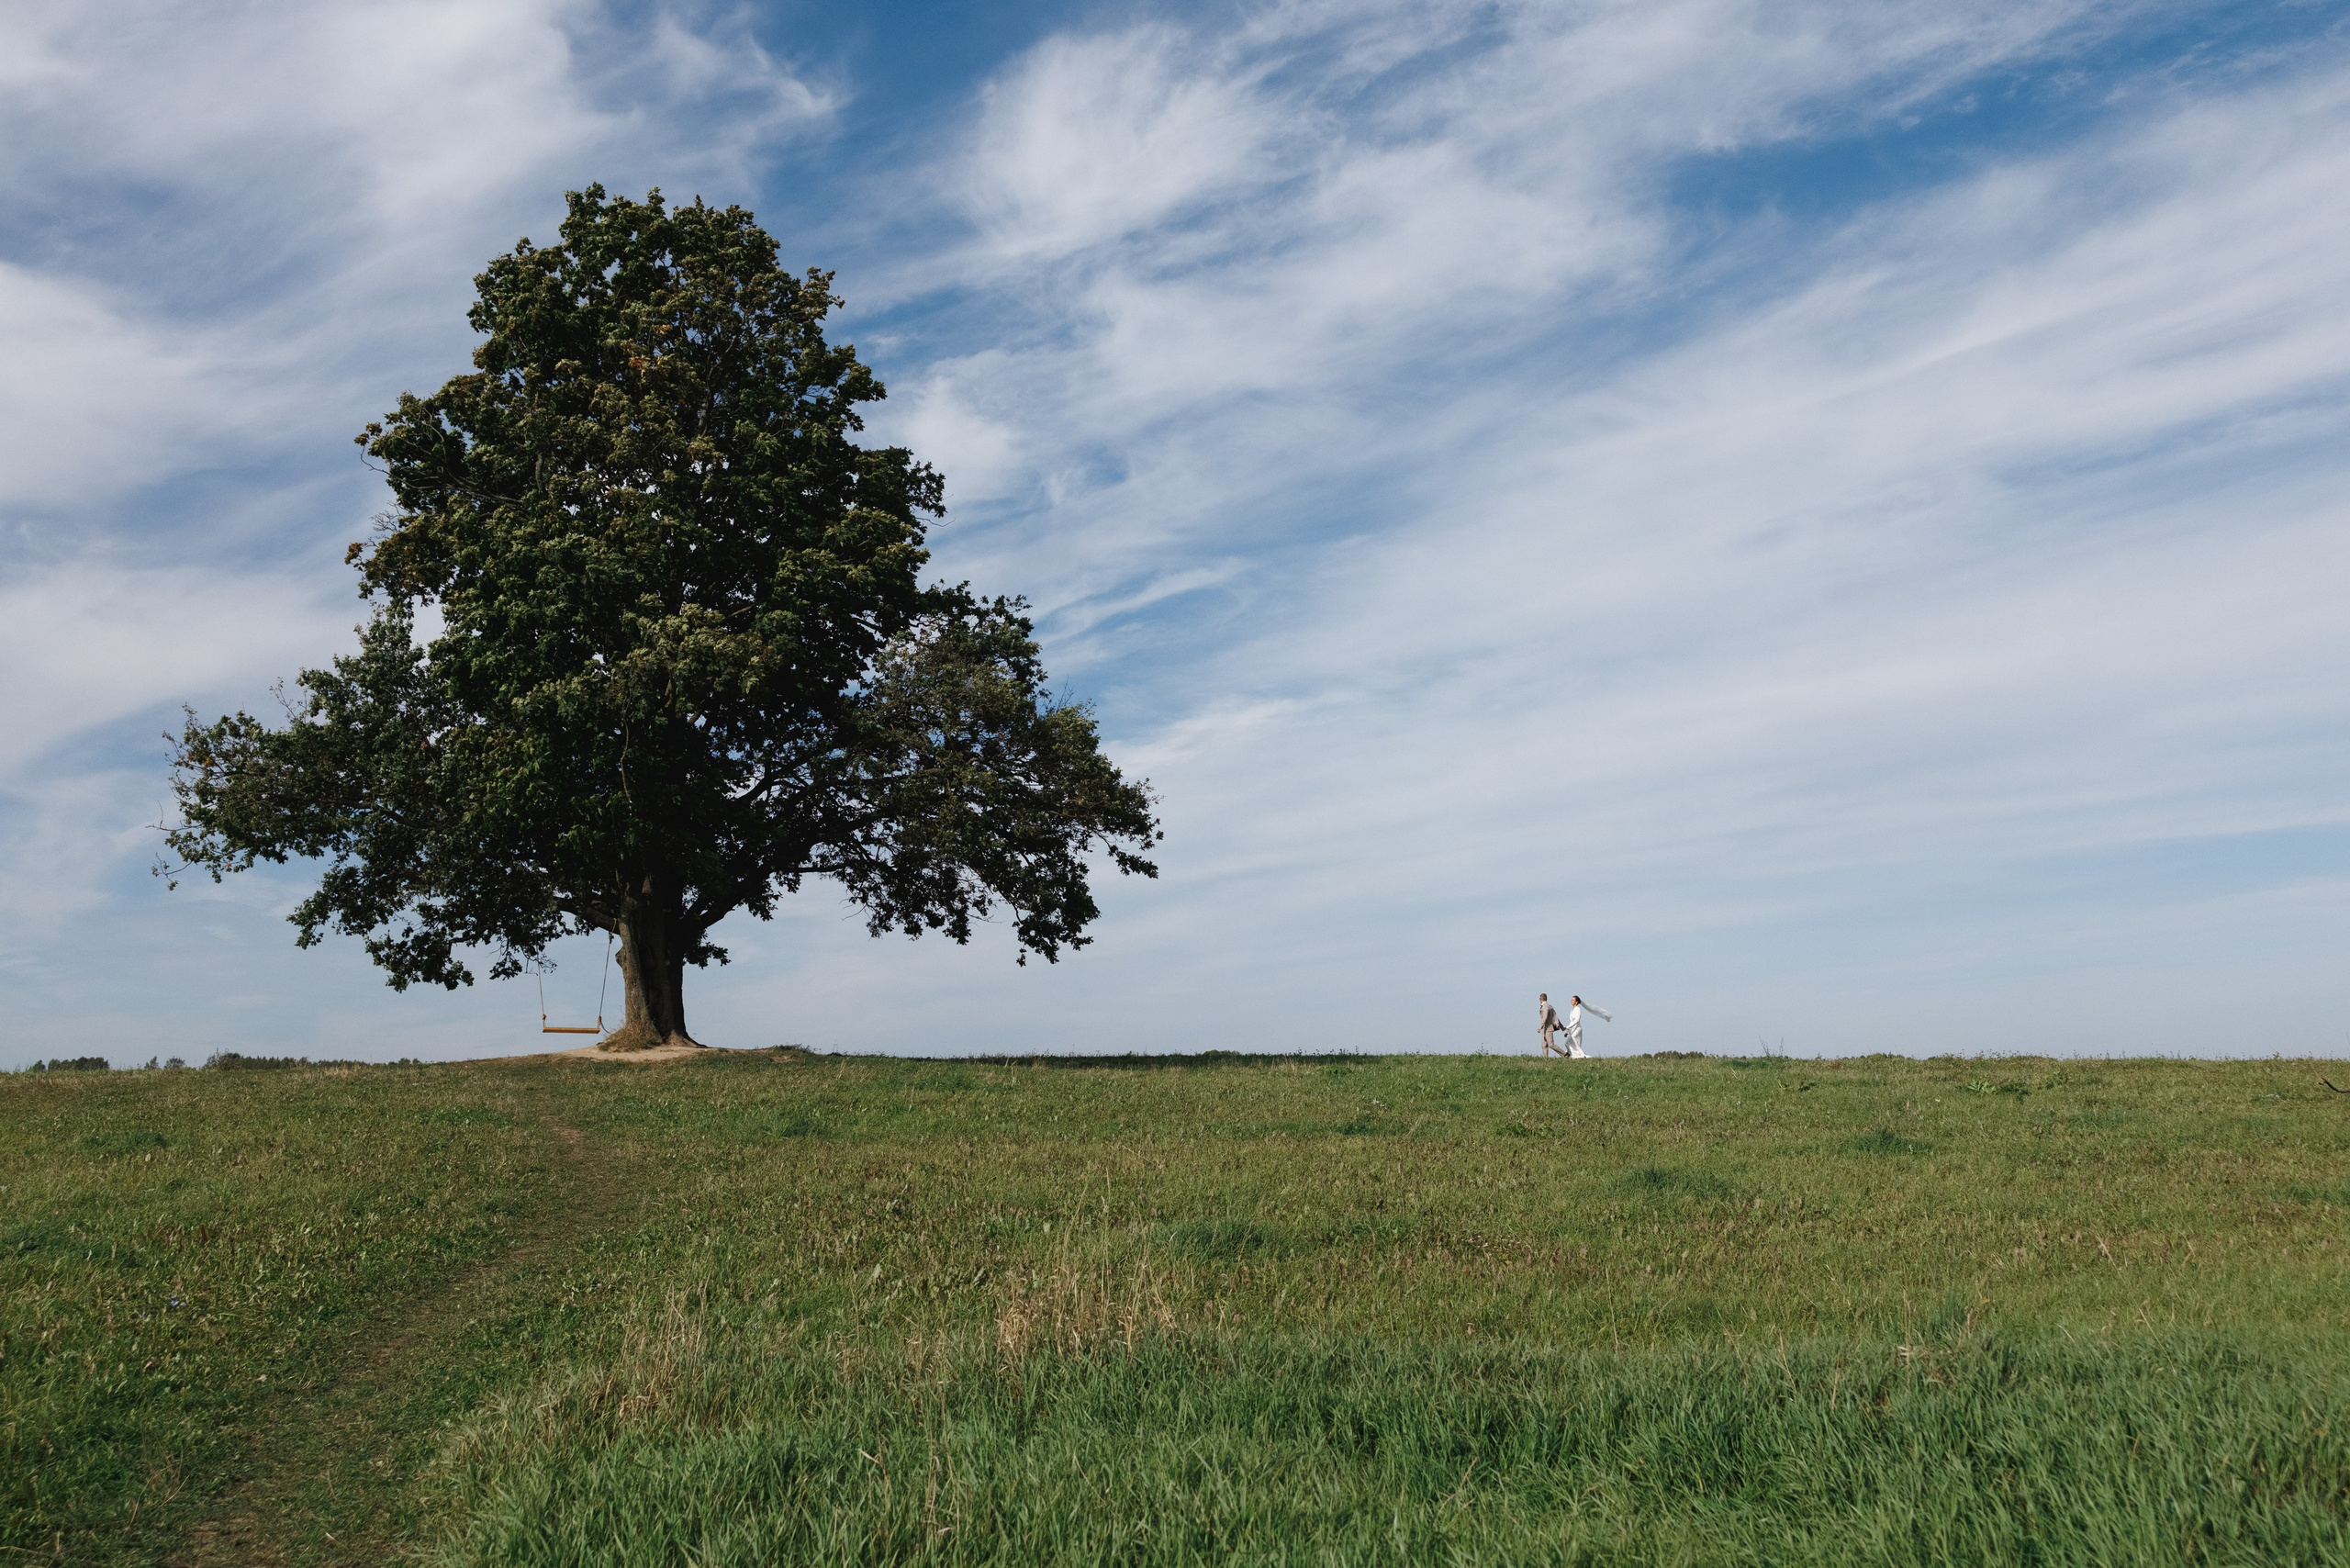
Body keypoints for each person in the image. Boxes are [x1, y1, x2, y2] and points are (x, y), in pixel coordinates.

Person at [1563, 994, 1611, 1058]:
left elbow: (1577, 1020)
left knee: (1572, 1041)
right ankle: (1574, 1055)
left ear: (1576, 1002)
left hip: (1578, 1029)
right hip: (1573, 1029)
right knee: (1568, 1043)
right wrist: (1568, 1032)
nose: (1571, 1001)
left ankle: (1582, 1055)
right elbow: (1571, 1021)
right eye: (1571, 1000)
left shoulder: (1578, 1009)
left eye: (1573, 1000)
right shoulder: (1572, 1010)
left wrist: (1567, 1027)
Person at [1537, 993, 1568, 1057]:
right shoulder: (1550, 1006)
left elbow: (1545, 1017)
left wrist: (1540, 1027)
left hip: (1548, 1028)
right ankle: (1545, 1059)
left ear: (1540, 999)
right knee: (1544, 1045)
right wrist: (1562, 1027)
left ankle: (1565, 1054)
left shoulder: (1545, 1007)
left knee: (1551, 1044)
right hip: (1545, 1028)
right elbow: (1555, 1018)